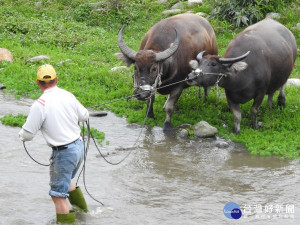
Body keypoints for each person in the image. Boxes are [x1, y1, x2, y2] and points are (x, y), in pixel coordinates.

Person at [19, 64, 89, 223]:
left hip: (64, 153)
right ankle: (84, 215)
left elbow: (28, 135)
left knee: (57, 195)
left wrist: (21, 135)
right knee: (67, 182)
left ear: (38, 83)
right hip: (79, 147)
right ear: (56, 80)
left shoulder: (40, 105)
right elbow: (84, 116)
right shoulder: (68, 95)